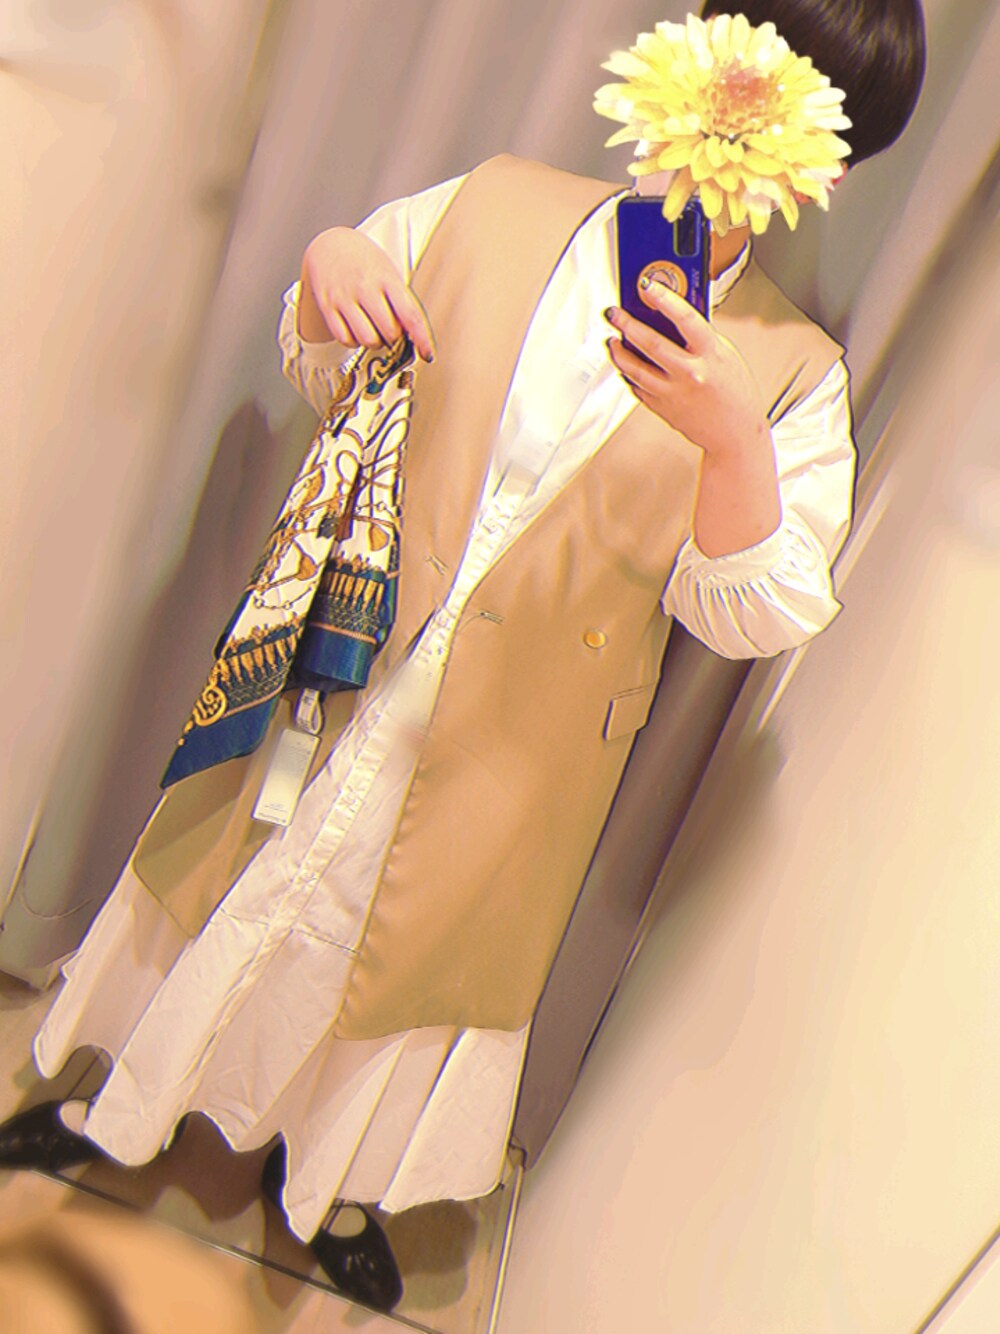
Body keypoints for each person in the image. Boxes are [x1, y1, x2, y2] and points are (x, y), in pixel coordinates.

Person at [0, 0, 926, 1315]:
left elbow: (756, 612)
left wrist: (731, 443)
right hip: (341, 655)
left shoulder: (787, 372)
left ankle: (328, 1188)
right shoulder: (497, 203)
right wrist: (330, 269)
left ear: (823, 158)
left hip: (521, 747)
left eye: (794, 99)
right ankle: (118, 1106)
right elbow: (336, 359)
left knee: (407, 965)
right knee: (238, 880)